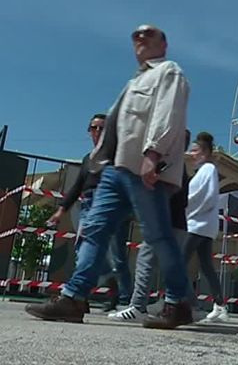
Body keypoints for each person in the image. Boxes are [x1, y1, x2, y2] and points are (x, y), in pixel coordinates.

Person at [25, 24, 191, 329]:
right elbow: (116, 129)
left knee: (157, 237)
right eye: (136, 35)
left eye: (148, 33)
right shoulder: (133, 83)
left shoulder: (169, 72)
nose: (140, 38)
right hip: (115, 171)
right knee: (94, 231)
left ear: (163, 44)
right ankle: (73, 298)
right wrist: (99, 164)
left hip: (143, 171)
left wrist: (153, 155)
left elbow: (169, 114)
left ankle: (178, 302)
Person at [108, 130, 195, 323]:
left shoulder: (171, 166)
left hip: (165, 222)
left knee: (145, 262)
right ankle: (183, 306)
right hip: (178, 223)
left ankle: (138, 306)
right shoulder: (181, 168)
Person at [47, 114, 132, 312]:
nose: (98, 132)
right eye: (94, 128)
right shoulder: (88, 159)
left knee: (117, 255)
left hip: (111, 205)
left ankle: (126, 300)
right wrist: (61, 210)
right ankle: (85, 292)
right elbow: (77, 186)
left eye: (102, 128)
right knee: (83, 249)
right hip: (88, 205)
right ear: (89, 131)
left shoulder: (117, 155)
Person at [184, 132, 228, 322]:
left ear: (204, 153)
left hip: (197, 225)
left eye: (195, 151)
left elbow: (209, 197)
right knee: (206, 267)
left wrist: (187, 211)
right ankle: (220, 306)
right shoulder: (205, 171)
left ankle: (185, 303)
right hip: (204, 226)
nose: (192, 154)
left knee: (178, 262)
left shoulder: (208, 169)